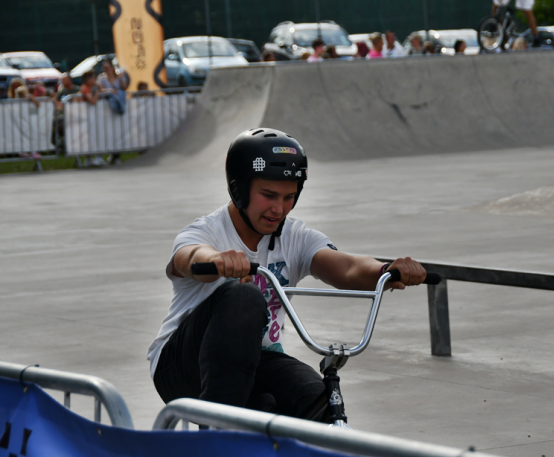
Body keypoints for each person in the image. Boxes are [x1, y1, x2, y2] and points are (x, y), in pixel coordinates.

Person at [147, 128, 428, 421]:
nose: (278, 209)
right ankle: (219, 438)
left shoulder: (295, 236)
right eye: (268, 195)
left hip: (255, 361)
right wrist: (216, 260)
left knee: (315, 399)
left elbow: (347, 267)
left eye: (289, 197)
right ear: (239, 189)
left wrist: (386, 270)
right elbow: (187, 258)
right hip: (181, 365)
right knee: (244, 297)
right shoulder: (207, 231)